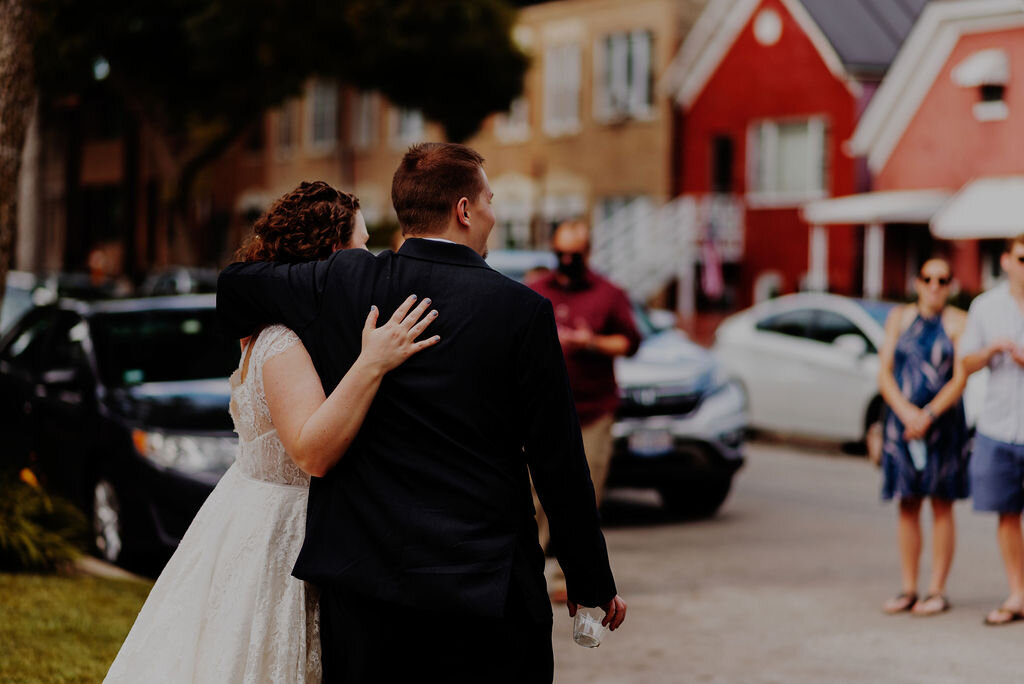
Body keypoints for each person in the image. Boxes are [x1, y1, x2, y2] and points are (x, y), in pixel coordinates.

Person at [216, 143, 627, 684]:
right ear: (463, 209)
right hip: (483, 592)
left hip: (365, 592)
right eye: (489, 200)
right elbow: (557, 462)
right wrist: (589, 581)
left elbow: (233, 286)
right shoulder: (521, 310)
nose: (492, 215)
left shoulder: (345, 282)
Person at [104, 181, 438, 682]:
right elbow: (310, 452)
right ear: (330, 254)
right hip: (277, 531)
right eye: (360, 244)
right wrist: (372, 364)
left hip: (264, 512)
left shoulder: (284, 324)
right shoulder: (282, 339)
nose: (368, 258)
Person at [528, 219, 641, 601]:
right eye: (560, 253)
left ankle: (568, 576)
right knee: (534, 495)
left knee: (583, 497)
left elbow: (628, 343)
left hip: (593, 411)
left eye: (573, 255)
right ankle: (527, 570)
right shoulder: (535, 290)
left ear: (587, 254)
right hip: (541, 412)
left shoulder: (608, 294)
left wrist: (590, 342)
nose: (565, 260)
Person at [877, 257, 969, 617]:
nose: (934, 285)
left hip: (942, 423)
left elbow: (960, 377)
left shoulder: (957, 322)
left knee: (941, 502)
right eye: (927, 278)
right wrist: (906, 414)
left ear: (950, 285)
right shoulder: (898, 318)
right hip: (902, 424)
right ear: (917, 282)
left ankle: (937, 590)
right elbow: (884, 372)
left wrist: (929, 414)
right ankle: (909, 587)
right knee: (908, 502)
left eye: (942, 279)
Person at [959, 234, 1024, 626]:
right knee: (1007, 514)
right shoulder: (985, 307)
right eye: (1022, 257)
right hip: (999, 426)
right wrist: (988, 353)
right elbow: (964, 364)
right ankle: (1018, 592)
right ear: (1005, 260)